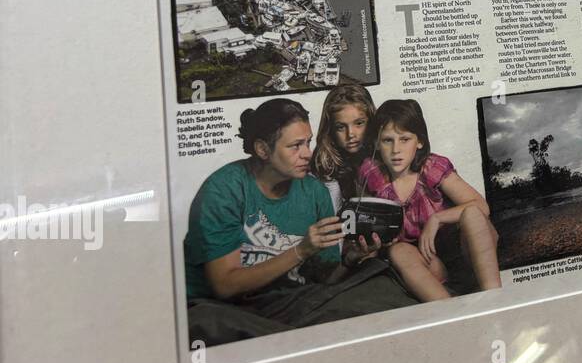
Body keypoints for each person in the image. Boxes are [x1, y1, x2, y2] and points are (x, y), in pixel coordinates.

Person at [184, 99, 384, 304]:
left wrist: (349, 260)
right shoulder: (224, 189)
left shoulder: (316, 192)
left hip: (290, 303)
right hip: (223, 309)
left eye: (308, 142)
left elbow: (325, 280)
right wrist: (301, 250)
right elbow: (224, 286)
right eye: (296, 146)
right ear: (262, 149)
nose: (307, 154)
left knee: (380, 282)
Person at [357, 99, 500, 303]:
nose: (396, 149)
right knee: (398, 251)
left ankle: (494, 298)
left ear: (420, 142)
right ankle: (449, 310)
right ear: (376, 144)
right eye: (388, 140)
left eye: (405, 139)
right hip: (429, 261)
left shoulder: (431, 167)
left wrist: (437, 219)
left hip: (465, 252)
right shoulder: (373, 175)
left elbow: (481, 206)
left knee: (473, 214)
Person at [311, 84, 376, 212]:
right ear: (330, 129)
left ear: (371, 121)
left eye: (359, 123)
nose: (350, 134)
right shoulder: (325, 167)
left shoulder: (383, 156)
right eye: (340, 127)